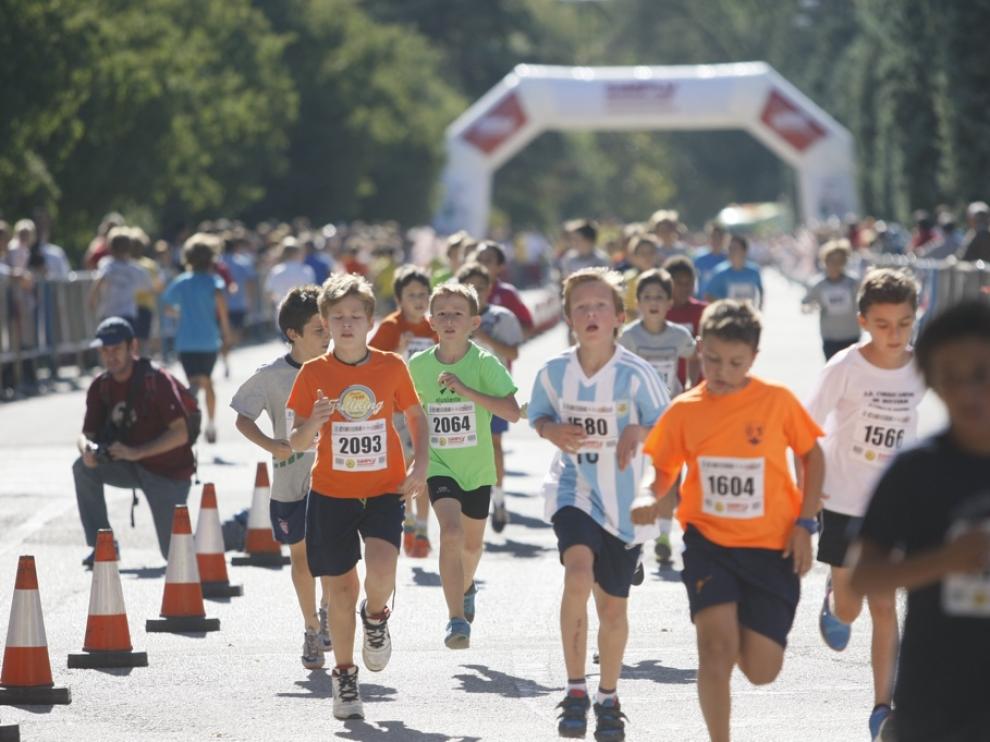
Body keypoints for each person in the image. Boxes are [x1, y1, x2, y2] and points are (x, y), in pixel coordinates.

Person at [635, 300, 824, 742]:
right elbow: (661, 465)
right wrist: (648, 492)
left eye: (736, 362)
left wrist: (806, 523)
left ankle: (742, 614)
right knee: (714, 652)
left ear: (754, 358)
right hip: (709, 544)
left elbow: (812, 455)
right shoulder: (686, 409)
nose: (722, 370)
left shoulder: (776, 401)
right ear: (699, 348)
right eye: (713, 359)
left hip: (771, 547)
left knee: (762, 671)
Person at [528, 267, 669, 741]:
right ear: (569, 318)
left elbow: (668, 426)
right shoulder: (555, 372)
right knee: (577, 572)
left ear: (618, 318)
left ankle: (608, 697)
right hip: (575, 489)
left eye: (600, 306)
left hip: (625, 502)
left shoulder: (635, 374)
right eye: (581, 307)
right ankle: (574, 691)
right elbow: (539, 416)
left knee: (612, 610)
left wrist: (639, 431)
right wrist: (550, 431)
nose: (591, 313)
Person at [287, 273, 428, 722]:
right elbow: (295, 440)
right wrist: (315, 423)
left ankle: (377, 617)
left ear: (370, 321)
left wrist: (420, 463)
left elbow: (415, 415)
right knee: (341, 588)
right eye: (337, 317)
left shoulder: (391, 366)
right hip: (331, 494)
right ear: (324, 324)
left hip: (385, 489)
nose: (346, 324)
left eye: (355, 316)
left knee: (382, 574)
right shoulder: (313, 374)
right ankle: (345, 677)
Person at [851, 300, 990, 741]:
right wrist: (945, 561)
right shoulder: (913, 471)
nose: (969, 392)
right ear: (930, 381)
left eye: (982, 374)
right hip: (932, 701)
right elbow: (862, 578)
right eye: (951, 376)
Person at [805, 267, 925, 739]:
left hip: (894, 506)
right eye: (883, 324)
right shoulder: (845, 367)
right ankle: (836, 601)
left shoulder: (922, 366)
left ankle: (882, 709)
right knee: (853, 610)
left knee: (884, 607)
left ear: (917, 319)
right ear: (862, 321)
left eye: (903, 323)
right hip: (842, 498)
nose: (893, 334)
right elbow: (805, 427)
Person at [409, 282, 519, 649]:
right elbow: (411, 415)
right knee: (451, 534)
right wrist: (413, 459)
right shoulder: (418, 367)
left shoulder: (485, 362)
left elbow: (512, 412)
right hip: (440, 465)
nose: (449, 319)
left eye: (458, 313)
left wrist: (465, 390)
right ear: (430, 321)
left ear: (474, 322)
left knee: (471, 548)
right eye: (441, 313)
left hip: (477, 469)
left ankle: (466, 586)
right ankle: (456, 619)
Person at [231, 286, 333, 670]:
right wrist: (273, 445)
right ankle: (310, 628)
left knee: (335, 558)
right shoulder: (272, 376)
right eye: (319, 330)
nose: (328, 337)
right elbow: (242, 417)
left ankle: (327, 610)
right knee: (302, 557)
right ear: (293, 334)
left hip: (339, 479)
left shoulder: (341, 367)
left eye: (329, 329)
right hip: (291, 481)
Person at [73, 317, 194, 566]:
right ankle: (102, 546)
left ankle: (234, 530)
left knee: (176, 554)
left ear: (133, 347)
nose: (110, 356)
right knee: (83, 467)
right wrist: (87, 449)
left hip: (167, 471)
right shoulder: (100, 385)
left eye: (116, 348)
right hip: (129, 464)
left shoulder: (157, 379)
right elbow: (86, 434)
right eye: (104, 350)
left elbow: (180, 433)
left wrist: (136, 452)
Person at [619, 268, 698, 568]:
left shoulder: (679, 335)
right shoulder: (629, 337)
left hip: (669, 413)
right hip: (636, 416)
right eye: (647, 297)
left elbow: (693, 355)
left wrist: (688, 387)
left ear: (669, 303)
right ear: (638, 302)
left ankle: (663, 537)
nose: (653, 302)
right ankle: (636, 541)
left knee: (668, 474)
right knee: (637, 477)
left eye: (660, 297)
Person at [369, 264, 437, 558]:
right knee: (405, 463)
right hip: (398, 408)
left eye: (423, 294)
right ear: (399, 299)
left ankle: (422, 525)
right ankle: (407, 518)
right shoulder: (389, 327)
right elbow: (370, 366)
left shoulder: (435, 326)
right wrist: (398, 351)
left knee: (425, 465)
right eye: (412, 295)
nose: (419, 301)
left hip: (429, 406)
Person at [456, 262, 524, 533]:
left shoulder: (501, 317)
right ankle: (466, 502)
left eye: (481, 288)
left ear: (490, 289)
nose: (476, 293)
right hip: (461, 390)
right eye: (469, 287)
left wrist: (484, 336)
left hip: (494, 390)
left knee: (494, 444)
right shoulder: (452, 315)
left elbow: (514, 353)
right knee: (463, 447)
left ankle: (498, 498)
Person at [161, 233, 231, 444]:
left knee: (194, 382)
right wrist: (226, 333)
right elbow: (222, 308)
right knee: (207, 382)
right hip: (209, 340)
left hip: (186, 342)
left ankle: (187, 414)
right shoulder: (214, 282)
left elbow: (166, 306)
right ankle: (210, 423)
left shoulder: (181, 282)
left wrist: (180, 313)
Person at [801, 239, 861, 360]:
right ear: (825, 261)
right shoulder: (818, 284)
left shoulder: (853, 283)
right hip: (830, 336)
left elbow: (864, 304)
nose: (835, 265)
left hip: (851, 334)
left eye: (839, 261)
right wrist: (811, 307)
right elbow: (805, 305)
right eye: (831, 261)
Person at [88, 227, 153, 327]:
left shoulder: (107, 264)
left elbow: (99, 280)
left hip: (109, 313)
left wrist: (92, 299)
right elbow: (148, 286)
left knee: (108, 341)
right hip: (128, 314)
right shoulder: (135, 269)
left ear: (110, 247)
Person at [471, 240, 535, 335]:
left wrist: (502, 340)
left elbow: (527, 327)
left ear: (500, 267)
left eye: (488, 260)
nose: (482, 264)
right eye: (479, 260)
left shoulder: (507, 293)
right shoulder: (464, 291)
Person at [703, 234, 764, 309]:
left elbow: (760, 291)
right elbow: (708, 295)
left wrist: (759, 309)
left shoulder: (754, 271)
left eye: (735, 248)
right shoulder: (719, 272)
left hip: (748, 316)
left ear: (744, 251)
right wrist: (722, 307)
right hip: (727, 318)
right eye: (729, 248)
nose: (731, 252)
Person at [264, 237, 316, 323]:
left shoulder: (276, 271)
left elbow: (269, 293)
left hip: (282, 313)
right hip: (303, 315)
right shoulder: (307, 270)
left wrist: (277, 301)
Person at [620, 235, 660, 319]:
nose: (647, 257)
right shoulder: (628, 279)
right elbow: (625, 308)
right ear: (634, 256)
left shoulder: (664, 278)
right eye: (642, 253)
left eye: (651, 252)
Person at [692, 223, 728, 299]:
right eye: (713, 237)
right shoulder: (699, 259)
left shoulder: (728, 259)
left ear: (724, 238)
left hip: (723, 302)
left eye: (719, 237)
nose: (716, 240)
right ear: (709, 238)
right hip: (703, 302)